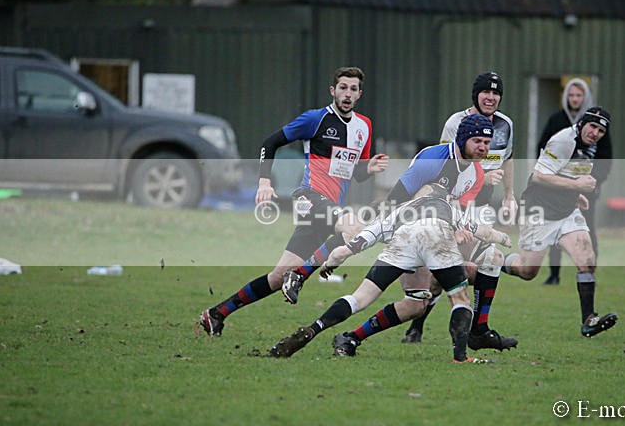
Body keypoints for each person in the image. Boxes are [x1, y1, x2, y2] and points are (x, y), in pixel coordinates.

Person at [267, 120, 511, 363]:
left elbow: (460, 213)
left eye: (487, 143)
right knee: (461, 291)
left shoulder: (476, 174)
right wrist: (500, 236)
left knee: (406, 302)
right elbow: (399, 198)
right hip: (413, 225)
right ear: (462, 139)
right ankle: (300, 273)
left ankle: (335, 334)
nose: (483, 148)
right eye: (477, 141)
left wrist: (345, 253)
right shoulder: (433, 159)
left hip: (412, 232)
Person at [196, 66, 389, 336]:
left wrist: (368, 169)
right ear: (333, 91)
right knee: (354, 229)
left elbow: (354, 174)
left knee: (277, 277)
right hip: (310, 197)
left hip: (330, 208)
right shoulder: (315, 119)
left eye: (353, 89)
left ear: (360, 94)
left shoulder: (363, 127)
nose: (347, 94)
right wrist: (264, 182)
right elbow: (269, 143)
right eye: (342, 87)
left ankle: (217, 313)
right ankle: (300, 274)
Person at [400, 71, 518, 350]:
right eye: (485, 92)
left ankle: (475, 328)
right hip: (455, 204)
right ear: (475, 95)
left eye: (496, 93)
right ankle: (421, 320)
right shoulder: (456, 122)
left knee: (481, 263)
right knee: (453, 266)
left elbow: (508, 159)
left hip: (482, 208)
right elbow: (446, 165)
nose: (491, 97)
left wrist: (510, 195)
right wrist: (481, 177)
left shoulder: (506, 125)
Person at [503, 107, 618, 337]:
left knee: (586, 258)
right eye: (592, 126)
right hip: (538, 212)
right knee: (528, 271)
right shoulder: (563, 140)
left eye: (601, 130)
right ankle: (493, 261)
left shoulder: (590, 146)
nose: (595, 133)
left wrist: (576, 195)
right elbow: (539, 176)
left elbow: (567, 173)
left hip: (566, 212)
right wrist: (577, 187)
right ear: (583, 123)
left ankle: (589, 320)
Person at [536, 78, 612, 285]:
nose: (575, 99)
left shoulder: (599, 124)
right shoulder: (557, 122)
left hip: (586, 187)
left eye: (579, 95)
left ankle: (588, 271)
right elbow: (542, 150)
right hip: (558, 186)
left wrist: (594, 181)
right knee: (555, 229)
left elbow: (606, 158)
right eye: (571, 95)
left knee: (588, 229)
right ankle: (554, 273)